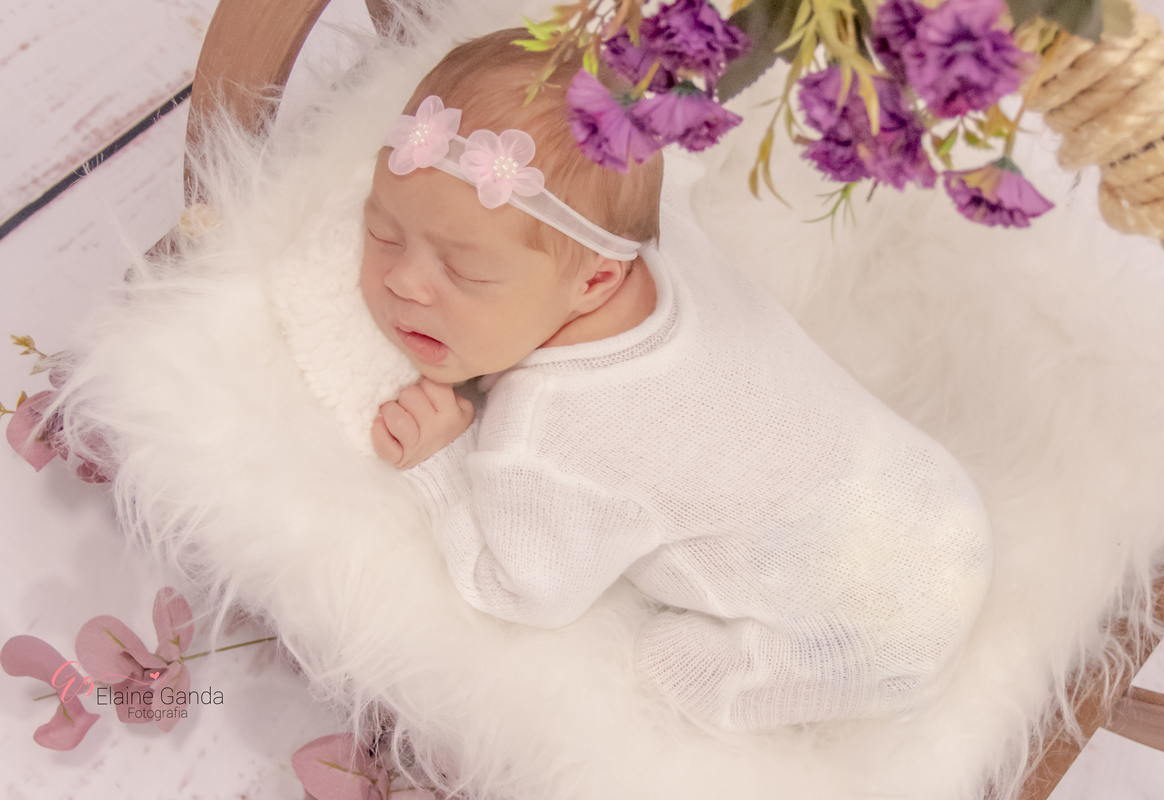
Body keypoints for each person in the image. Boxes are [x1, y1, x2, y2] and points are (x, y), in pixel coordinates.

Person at [363, 28, 993, 732]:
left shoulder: (549, 439)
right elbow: (662, 173)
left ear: (596, 281)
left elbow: (529, 593)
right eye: (381, 233)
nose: (403, 281)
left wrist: (441, 462)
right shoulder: (655, 237)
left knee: (672, 665)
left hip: (872, 649)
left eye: (465, 272)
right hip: (937, 500)